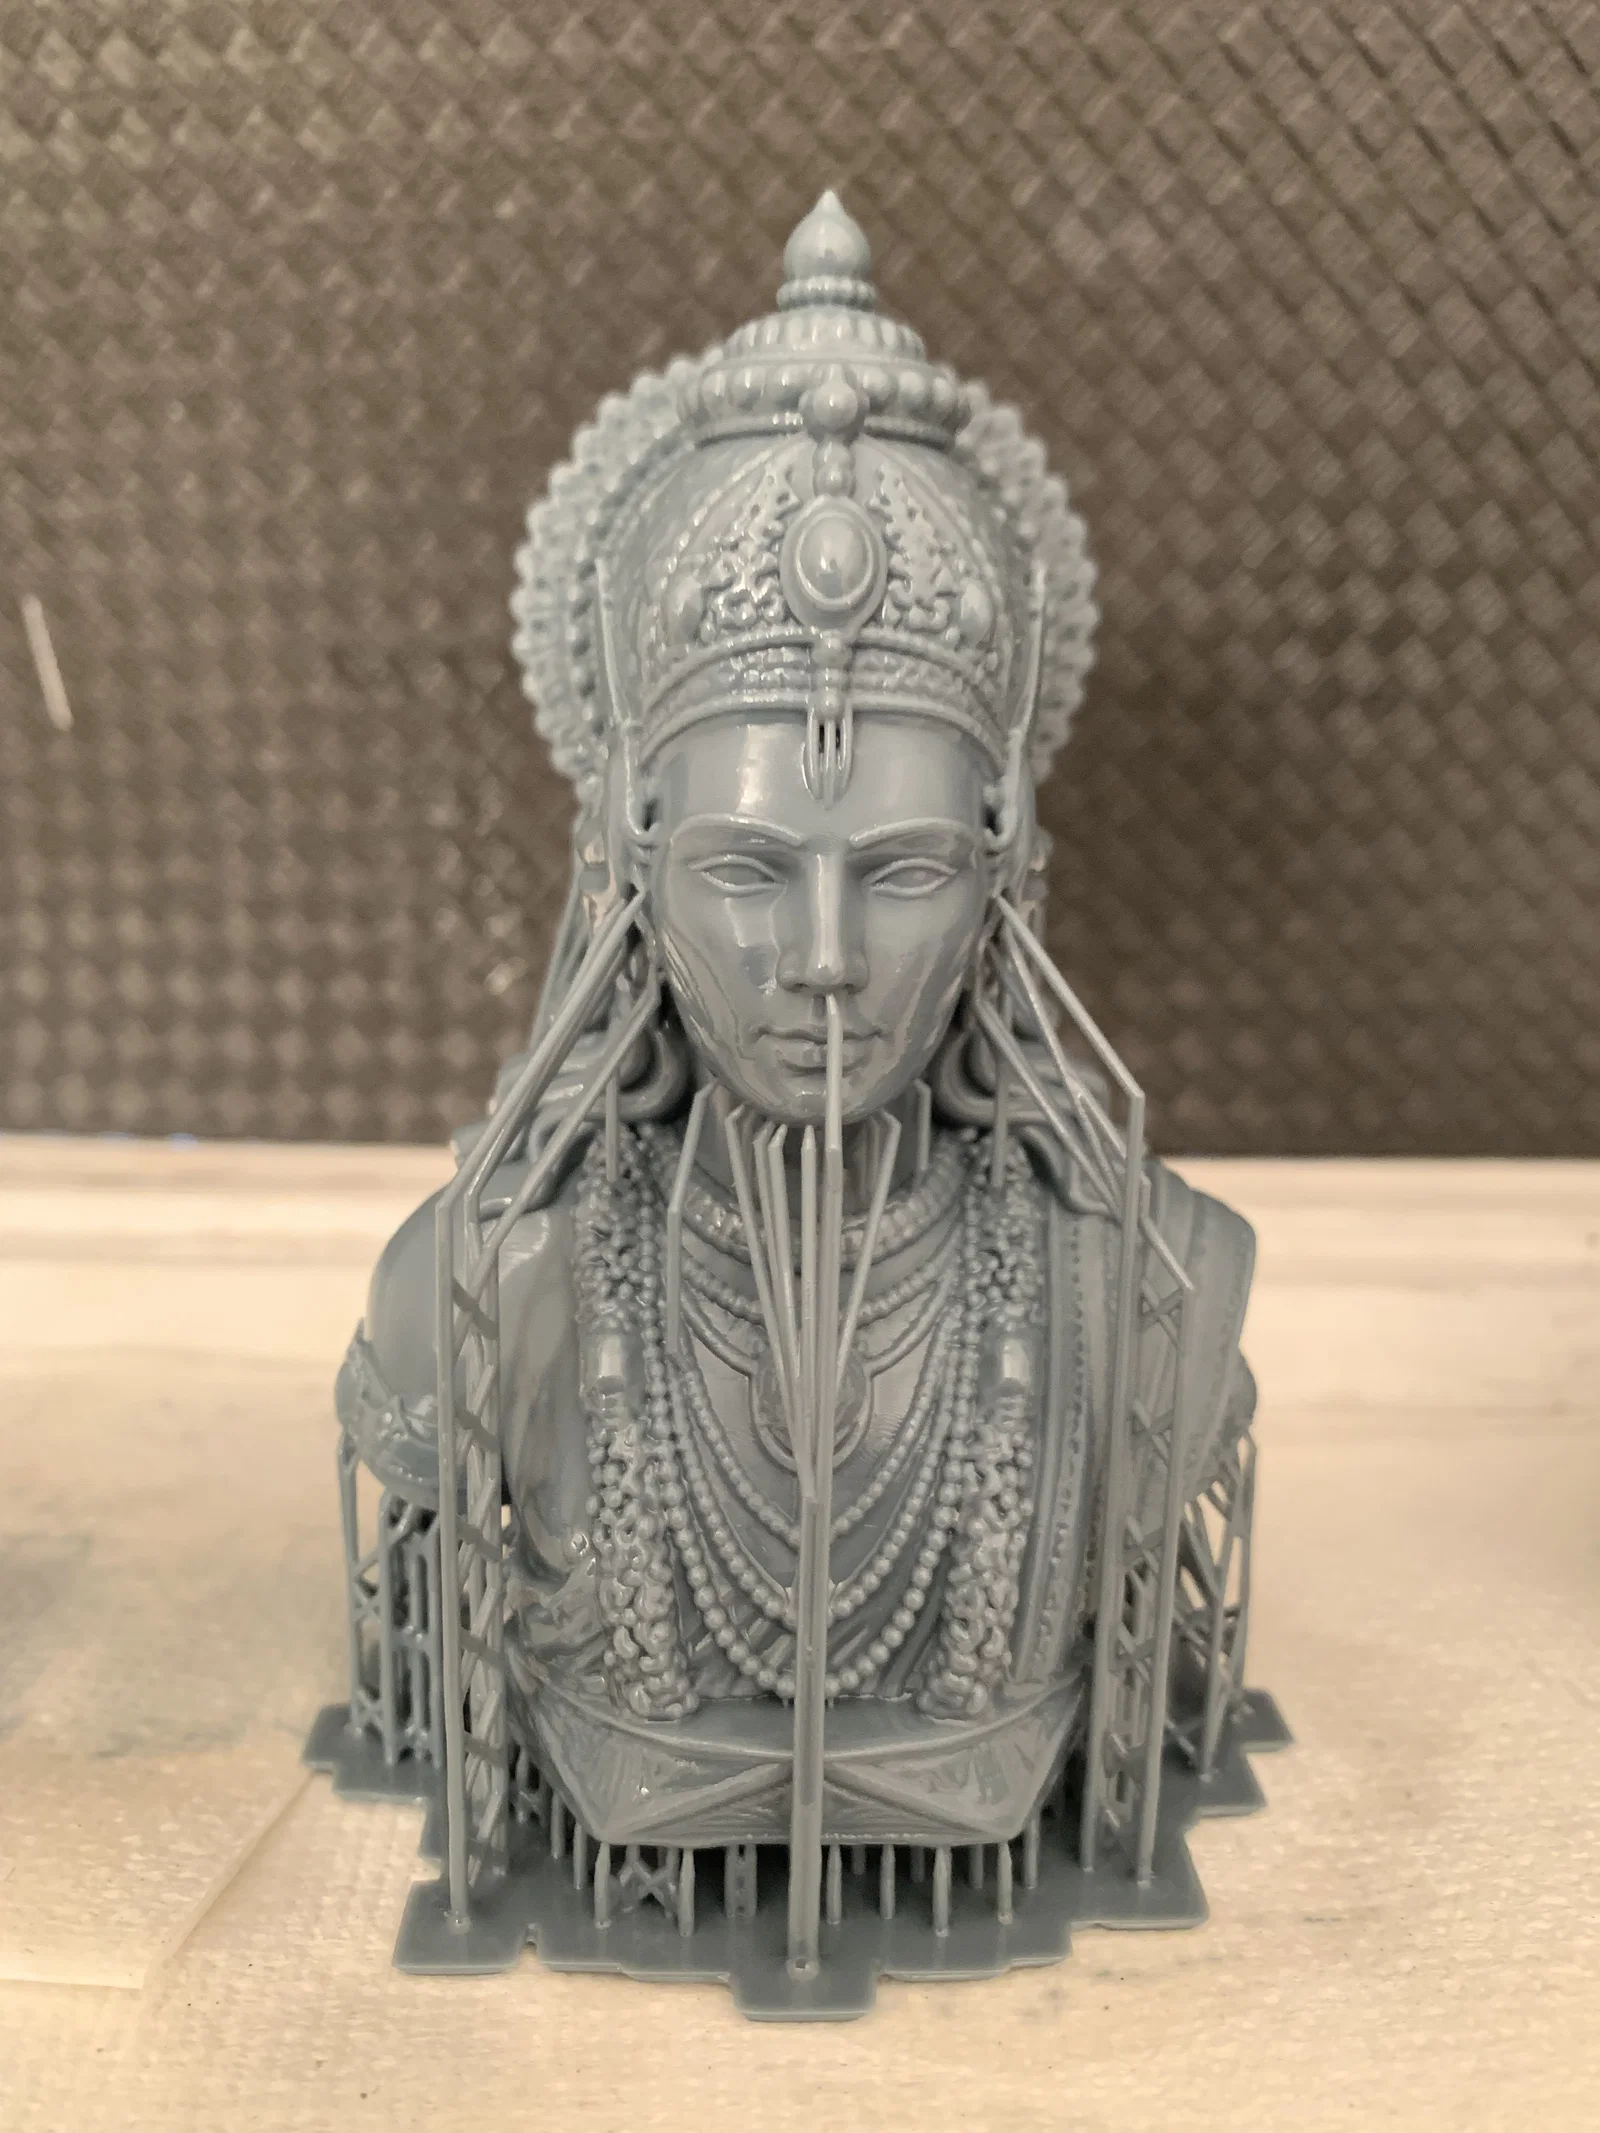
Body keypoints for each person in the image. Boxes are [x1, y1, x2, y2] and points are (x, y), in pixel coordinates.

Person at [343, 194, 1257, 1874]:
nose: (825, 963)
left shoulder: (1134, 1286)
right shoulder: (490, 1276)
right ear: (630, 862)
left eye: (901, 873)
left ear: (1003, 867)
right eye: (748, 870)